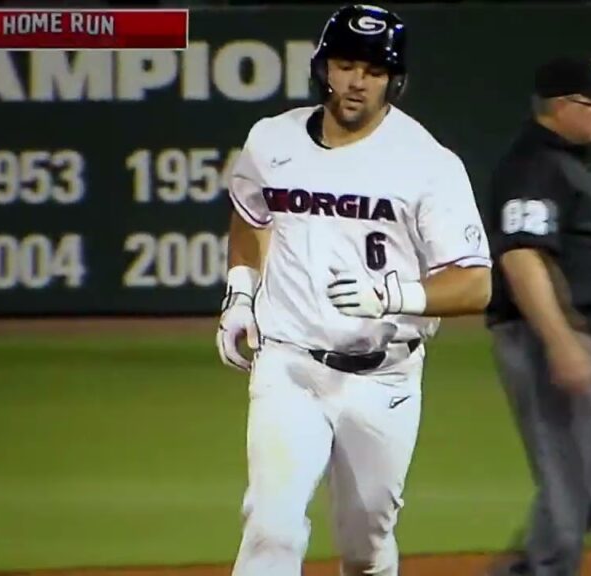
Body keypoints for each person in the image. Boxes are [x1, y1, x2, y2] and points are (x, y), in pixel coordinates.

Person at [214, 4, 492, 576]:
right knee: (272, 527)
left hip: (383, 377)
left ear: (395, 79)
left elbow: (476, 283)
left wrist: (394, 297)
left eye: (373, 69)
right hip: (288, 366)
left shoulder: (428, 164)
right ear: (323, 68)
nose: (357, 81)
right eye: (345, 65)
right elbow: (249, 217)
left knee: (365, 547)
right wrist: (240, 293)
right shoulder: (272, 140)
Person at [483, 55, 591, 576]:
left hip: (589, 337)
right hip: (546, 336)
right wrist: (560, 341)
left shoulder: (568, 162)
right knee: (569, 485)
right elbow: (522, 255)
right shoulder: (533, 165)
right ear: (561, 105)